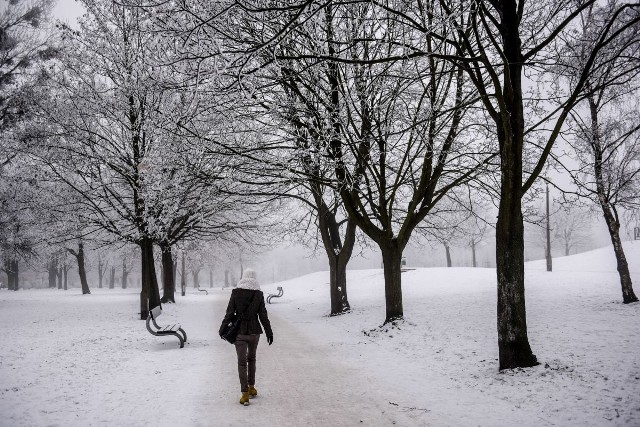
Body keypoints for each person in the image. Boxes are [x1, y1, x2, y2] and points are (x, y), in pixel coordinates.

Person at [219, 268, 273, 406]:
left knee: (242, 363)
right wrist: (269, 332)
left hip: (240, 333)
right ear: (255, 278)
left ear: (243, 277)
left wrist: (222, 328)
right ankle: (251, 387)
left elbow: (229, 313)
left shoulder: (236, 293)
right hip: (255, 333)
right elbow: (263, 315)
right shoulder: (258, 294)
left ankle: (244, 395)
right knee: (252, 359)